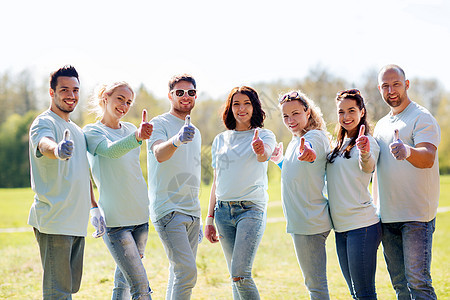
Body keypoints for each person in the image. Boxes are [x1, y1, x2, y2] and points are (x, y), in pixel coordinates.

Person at [374, 64, 440, 300]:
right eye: (385, 86)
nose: (391, 90)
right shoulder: (381, 125)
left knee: (418, 284)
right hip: (387, 217)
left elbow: (428, 158)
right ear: (379, 89)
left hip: (415, 216)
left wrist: (408, 151)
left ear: (407, 84)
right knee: (400, 286)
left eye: (396, 84)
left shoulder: (421, 117)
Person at [204, 86, 276, 300]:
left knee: (240, 274)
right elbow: (217, 180)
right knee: (234, 276)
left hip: (251, 210)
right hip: (223, 213)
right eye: (236, 104)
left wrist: (260, 150)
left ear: (254, 107)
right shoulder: (220, 140)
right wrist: (209, 218)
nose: (241, 108)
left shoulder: (264, 135)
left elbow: (265, 157)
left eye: (247, 103)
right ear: (230, 108)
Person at [83, 82, 153, 299]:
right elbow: (110, 151)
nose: (124, 105)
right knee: (141, 287)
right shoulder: (92, 131)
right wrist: (137, 138)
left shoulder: (132, 129)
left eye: (129, 102)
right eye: (120, 99)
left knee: (123, 284)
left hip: (141, 216)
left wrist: (137, 136)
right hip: (115, 222)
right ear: (106, 96)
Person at [28, 65, 93, 299]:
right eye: (64, 89)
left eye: (75, 90)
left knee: (69, 288)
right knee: (58, 292)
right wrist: (57, 149)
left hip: (76, 222)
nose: (71, 95)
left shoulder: (76, 130)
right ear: (51, 92)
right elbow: (43, 143)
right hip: (54, 221)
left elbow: (83, 173)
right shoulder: (44, 122)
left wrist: (94, 207)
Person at [271, 90, 332, 300]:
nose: (290, 120)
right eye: (285, 116)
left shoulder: (314, 136)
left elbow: (311, 153)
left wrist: (310, 153)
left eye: (295, 113)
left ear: (308, 111)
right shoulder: (296, 140)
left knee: (315, 287)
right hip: (303, 221)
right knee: (314, 285)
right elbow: (300, 174)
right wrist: (280, 161)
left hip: (309, 222)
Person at [147, 74, 201, 300]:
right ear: (170, 96)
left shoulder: (196, 131)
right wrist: (177, 140)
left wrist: (198, 216)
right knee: (186, 273)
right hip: (168, 210)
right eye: (179, 92)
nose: (185, 96)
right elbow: (159, 153)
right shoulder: (159, 124)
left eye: (190, 92)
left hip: (192, 212)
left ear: (196, 96)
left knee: (178, 273)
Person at [326, 89, 381, 299]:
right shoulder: (336, 146)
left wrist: (365, 152)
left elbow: (368, 167)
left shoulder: (368, 142)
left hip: (362, 226)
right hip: (341, 229)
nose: (346, 116)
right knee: (355, 293)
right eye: (341, 111)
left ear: (362, 112)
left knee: (365, 293)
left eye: (351, 110)